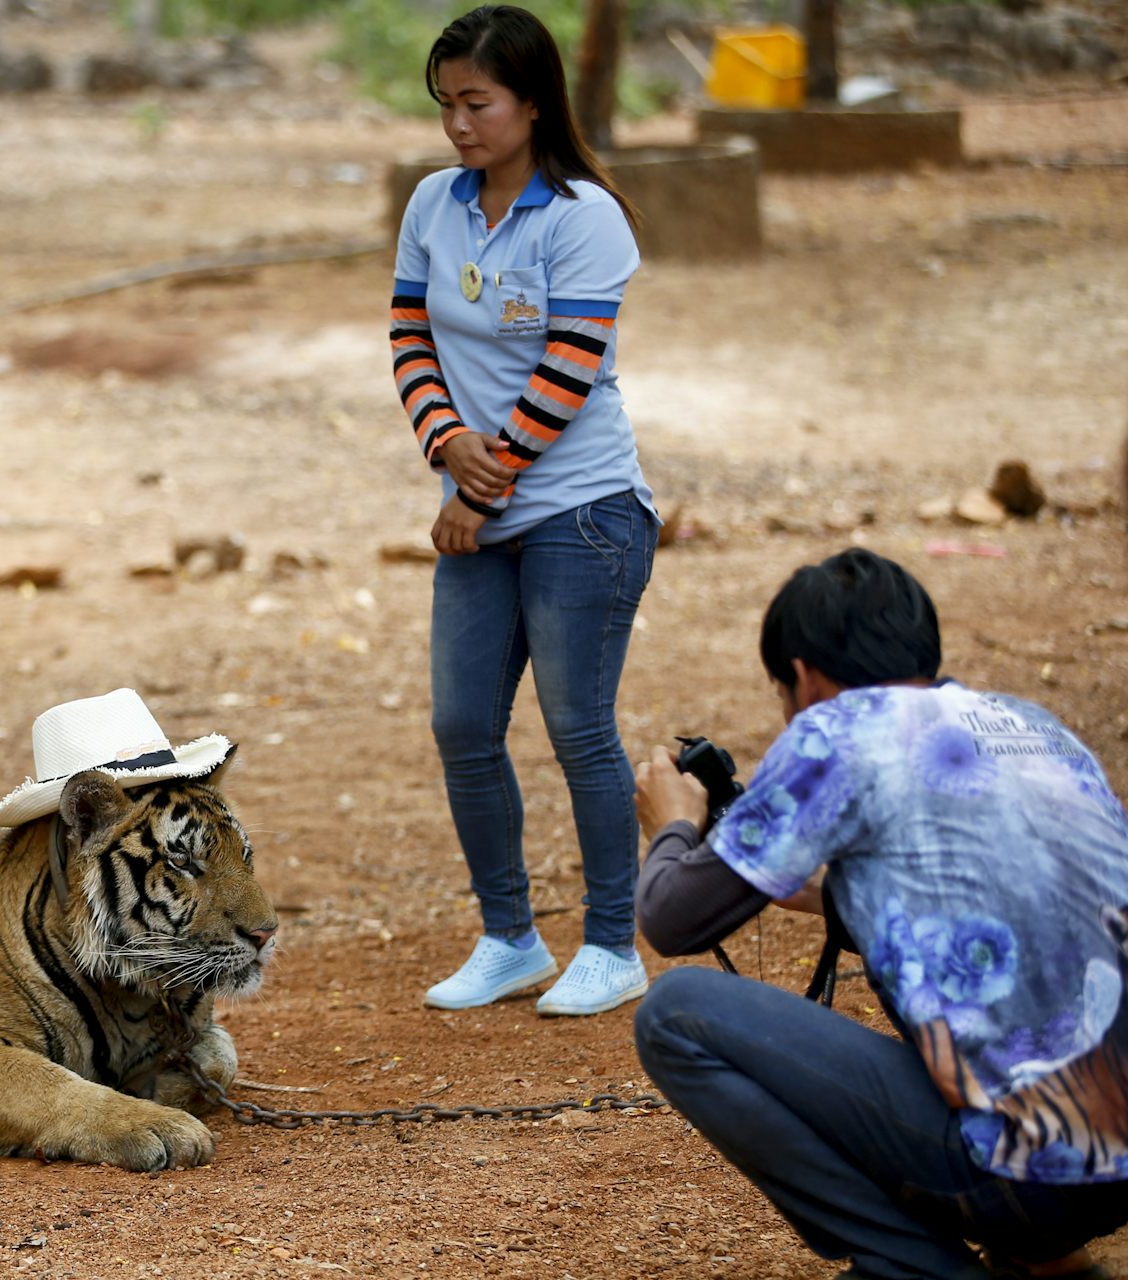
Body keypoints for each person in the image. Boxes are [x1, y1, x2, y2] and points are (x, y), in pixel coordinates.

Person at [633, 548, 1128, 1280]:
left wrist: (674, 824)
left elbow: (671, 919)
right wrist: (784, 874)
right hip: (1110, 1169)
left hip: (1029, 1172)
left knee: (675, 1014)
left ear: (801, 677)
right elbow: (966, 902)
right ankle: (1046, 1259)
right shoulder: (1033, 727)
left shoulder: (836, 730)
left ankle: (920, 1268)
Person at [390, 5, 658, 1016]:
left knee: (579, 726)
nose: (459, 124)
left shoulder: (585, 214)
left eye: (478, 102)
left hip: (583, 509)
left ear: (532, 102)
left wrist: (477, 480)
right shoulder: (435, 204)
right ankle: (509, 936)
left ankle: (612, 941)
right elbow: (410, 332)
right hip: (479, 500)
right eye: (446, 104)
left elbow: (572, 366)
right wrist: (442, 443)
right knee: (463, 722)